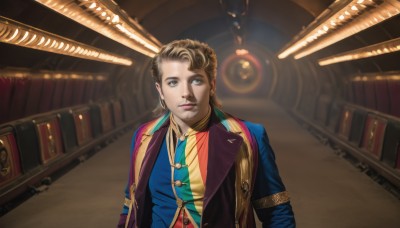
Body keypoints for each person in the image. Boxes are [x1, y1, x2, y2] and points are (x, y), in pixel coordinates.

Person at [118, 39, 295, 228]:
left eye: (196, 80)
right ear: (160, 90)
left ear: (212, 85)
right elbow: (131, 207)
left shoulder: (249, 136)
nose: (186, 93)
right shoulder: (144, 137)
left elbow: (276, 209)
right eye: (173, 82)